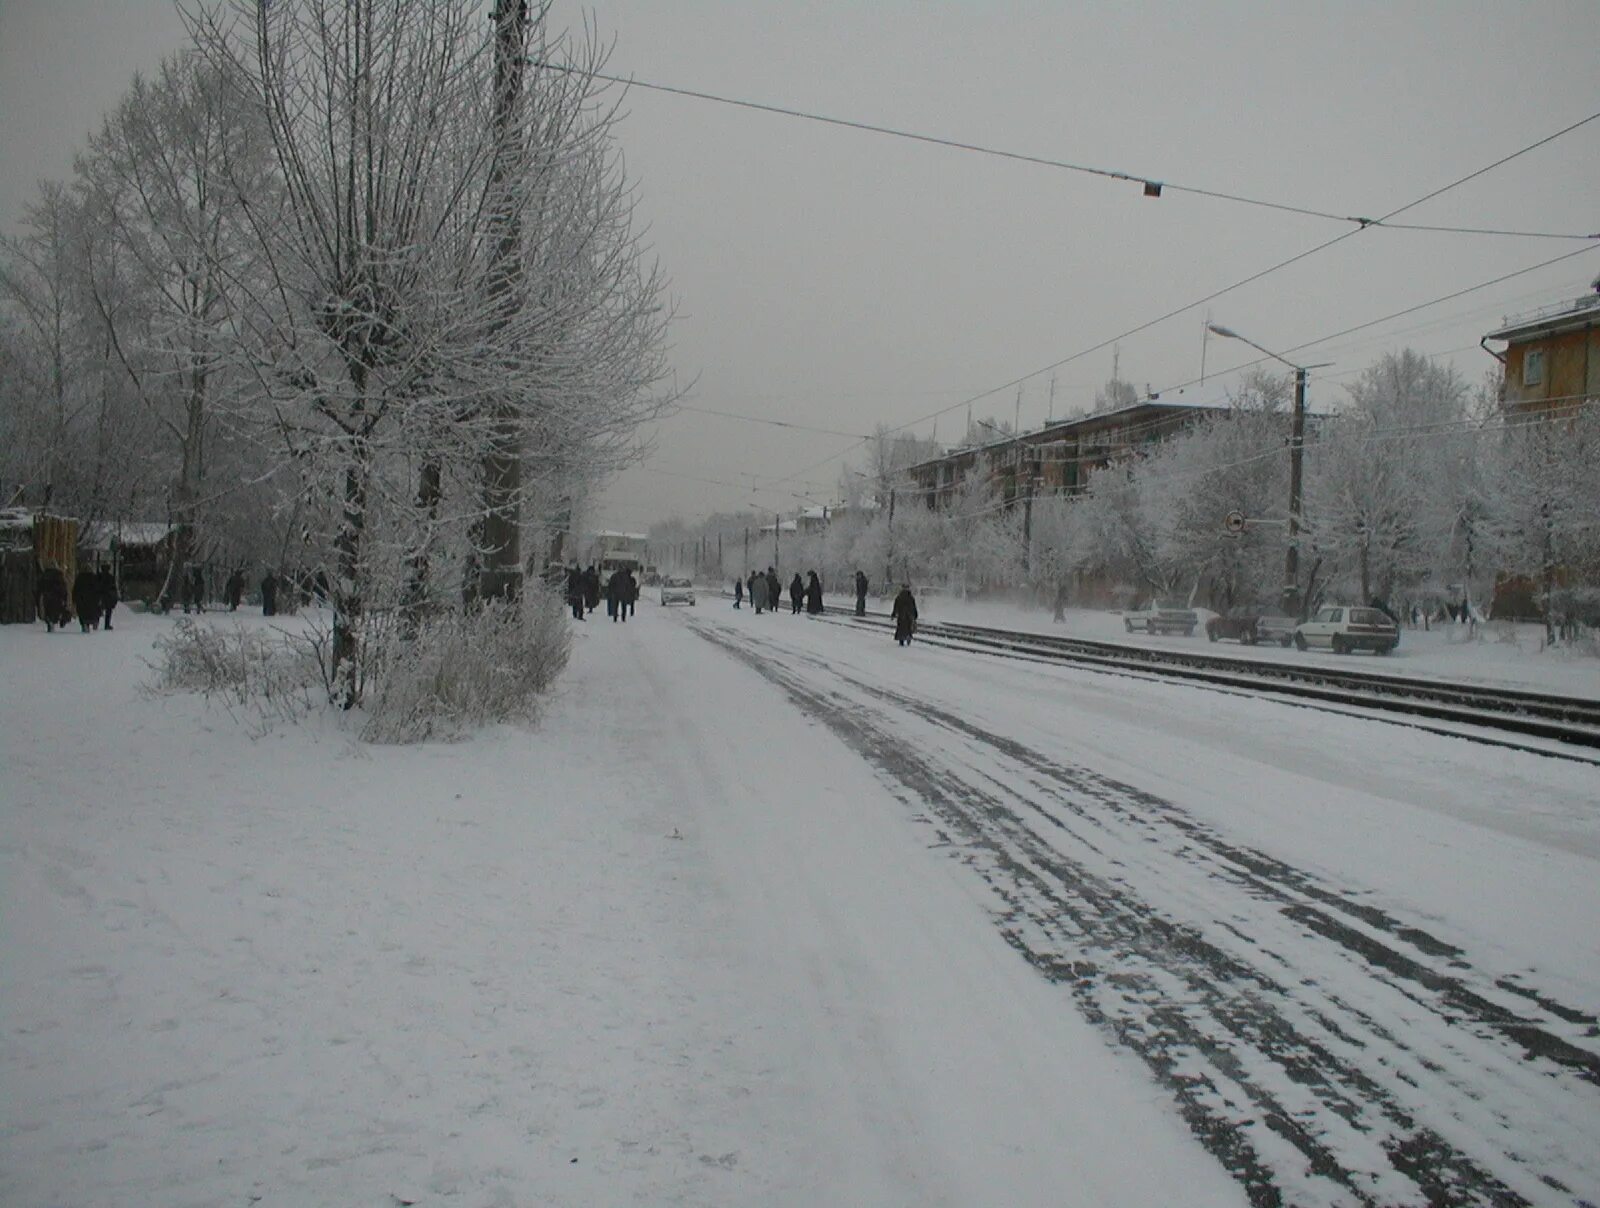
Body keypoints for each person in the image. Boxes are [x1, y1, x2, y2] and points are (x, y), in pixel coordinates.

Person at [36, 561, 70, 632]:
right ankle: (54, 620)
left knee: (48, 610)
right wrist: (64, 597)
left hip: (47, 596)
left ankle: (50, 620)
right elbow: (63, 587)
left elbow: (39, 586)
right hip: (57, 597)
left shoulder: (44, 575)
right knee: (57, 610)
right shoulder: (59, 575)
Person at [72, 567, 102, 632]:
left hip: (81, 598)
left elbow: (75, 589)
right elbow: (98, 589)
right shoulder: (94, 578)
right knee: (92, 611)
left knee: (82, 612)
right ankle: (93, 621)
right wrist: (98, 598)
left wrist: (74, 599)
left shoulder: (79, 578)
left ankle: (84, 624)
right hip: (92, 599)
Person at [96, 565, 119, 631]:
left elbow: (96, 585)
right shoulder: (111, 577)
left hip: (100, 595)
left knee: (98, 609)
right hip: (108, 596)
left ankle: (96, 623)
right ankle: (107, 625)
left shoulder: (98, 577)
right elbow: (113, 588)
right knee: (108, 611)